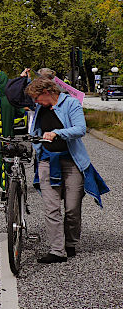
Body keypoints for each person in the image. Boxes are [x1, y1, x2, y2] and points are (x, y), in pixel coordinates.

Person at [26, 78, 108, 263]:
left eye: (37, 97)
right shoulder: (40, 108)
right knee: (51, 208)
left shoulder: (70, 103)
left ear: (47, 91)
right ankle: (57, 250)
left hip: (72, 162)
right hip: (47, 161)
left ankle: (70, 243)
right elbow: (15, 99)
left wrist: (57, 133)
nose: (36, 102)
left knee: (72, 208)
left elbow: (80, 129)